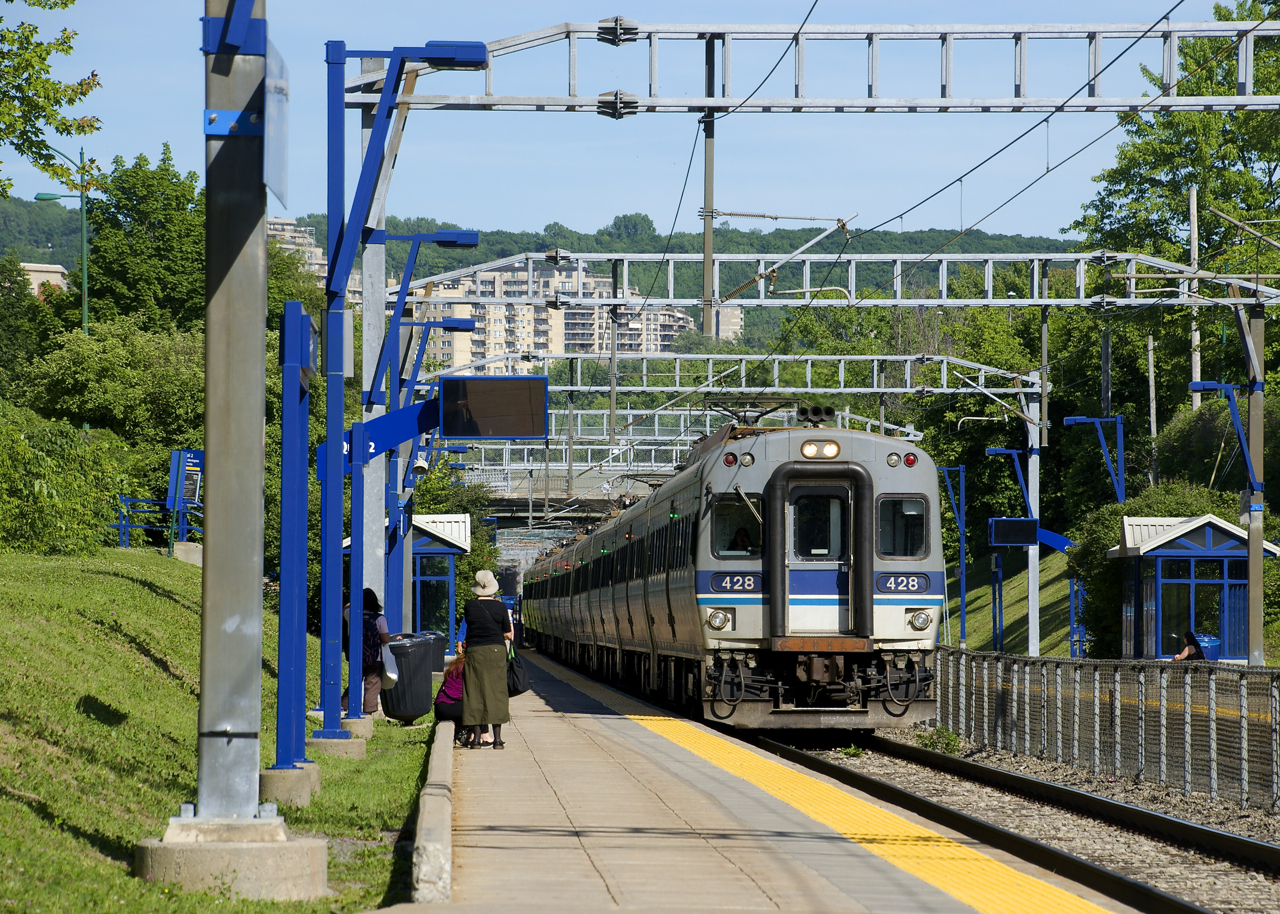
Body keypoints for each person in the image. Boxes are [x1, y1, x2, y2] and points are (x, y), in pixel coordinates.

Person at [462, 570, 512, 749]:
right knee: (497, 691)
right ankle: (497, 740)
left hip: (475, 651)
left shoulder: (469, 606)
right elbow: (507, 633)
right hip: (496, 651)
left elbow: (470, 627)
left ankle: (476, 739)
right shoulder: (501, 607)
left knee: (474, 691)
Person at [342, 587, 392, 714]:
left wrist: (354, 601)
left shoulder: (351, 615)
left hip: (356, 656)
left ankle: (344, 705)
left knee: (354, 680)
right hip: (374, 657)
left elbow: (345, 608)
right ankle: (368, 712)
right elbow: (386, 639)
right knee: (373, 683)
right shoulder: (379, 618)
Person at [433, 647, 467, 742]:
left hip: (440, 707)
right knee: (479, 707)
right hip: (449, 705)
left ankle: (461, 731)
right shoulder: (467, 666)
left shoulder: (459, 662)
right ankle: (479, 736)